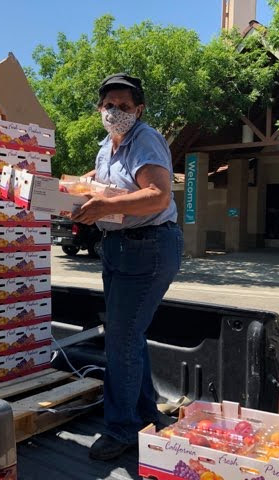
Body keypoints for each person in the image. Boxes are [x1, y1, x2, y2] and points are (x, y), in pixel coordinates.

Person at [72, 73, 183, 461]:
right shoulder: (107, 147)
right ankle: (146, 413)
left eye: (122, 106)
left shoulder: (145, 139)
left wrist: (106, 207)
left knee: (121, 340)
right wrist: (76, 186)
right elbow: (103, 183)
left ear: (138, 109)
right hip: (119, 247)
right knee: (129, 336)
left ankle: (121, 430)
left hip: (148, 247)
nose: (114, 112)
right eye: (107, 105)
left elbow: (157, 195)